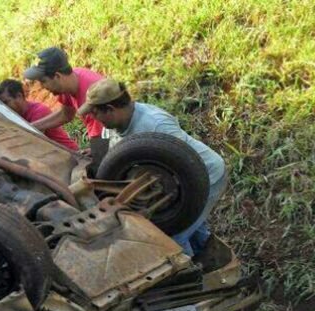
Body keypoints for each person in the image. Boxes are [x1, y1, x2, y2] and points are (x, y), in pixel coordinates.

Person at [78, 78, 227, 257]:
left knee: (171, 238)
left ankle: (192, 277)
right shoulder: (113, 124)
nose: (92, 118)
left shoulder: (156, 124)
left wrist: (174, 209)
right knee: (191, 224)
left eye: (95, 113)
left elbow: (185, 164)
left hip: (204, 175)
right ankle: (211, 256)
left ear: (110, 109)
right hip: (165, 177)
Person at [23, 47, 106, 155]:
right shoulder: (71, 80)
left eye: (44, 81)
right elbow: (65, 114)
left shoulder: (92, 97)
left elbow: (103, 141)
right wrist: (30, 127)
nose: (43, 87)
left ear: (57, 76)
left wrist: (95, 151)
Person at [0, 79, 78, 150]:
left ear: (19, 96)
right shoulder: (16, 115)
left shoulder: (39, 111)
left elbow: (31, 143)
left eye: (6, 102)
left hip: (70, 153)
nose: (4, 107)